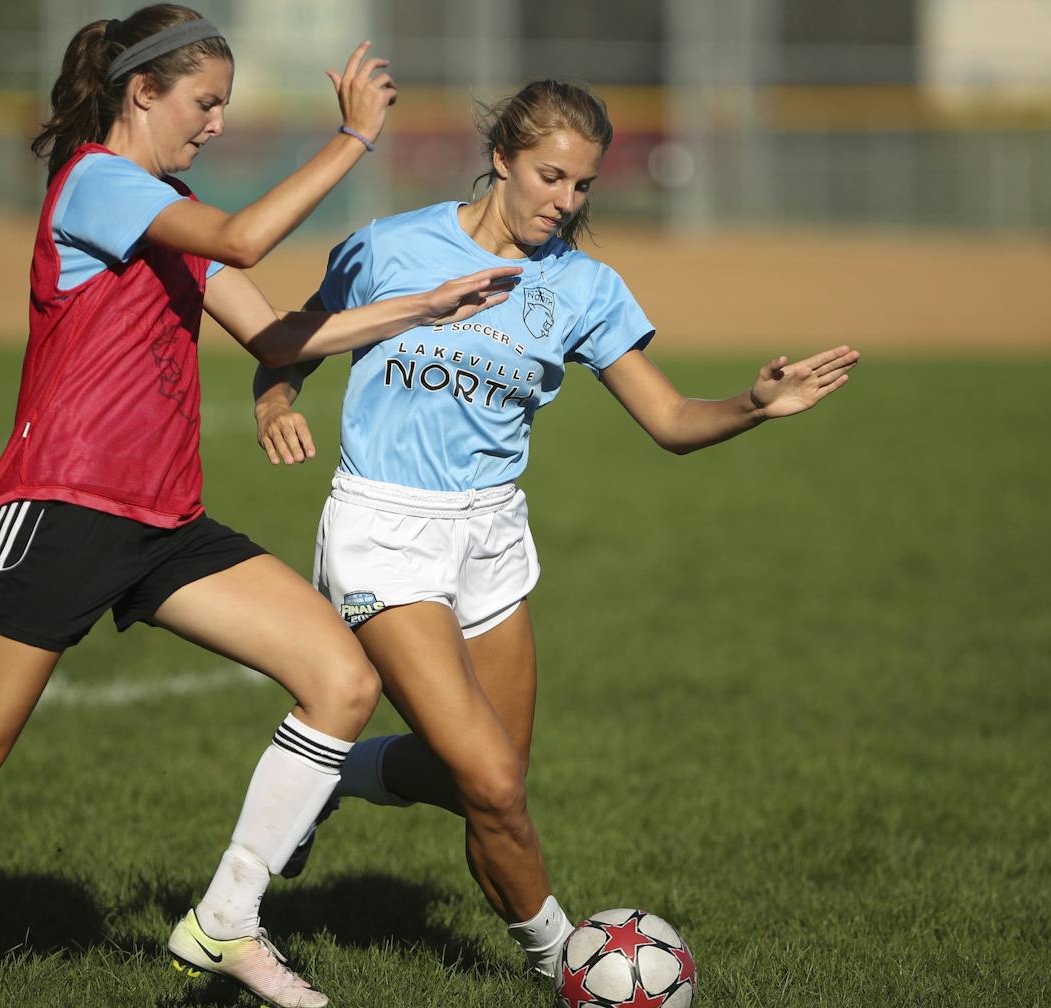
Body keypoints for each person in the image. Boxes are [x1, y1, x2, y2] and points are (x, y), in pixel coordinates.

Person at [0, 8, 522, 1008]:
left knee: (336, 676)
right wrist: (354, 139)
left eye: (225, 106)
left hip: (162, 523)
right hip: (57, 510)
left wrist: (422, 303)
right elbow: (240, 234)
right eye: (206, 102)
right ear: (141, 92)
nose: (218, 123)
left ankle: (226, 920)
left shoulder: (169, 205)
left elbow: (274, 337)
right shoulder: (98, 185)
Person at [252, 78, 860, 984]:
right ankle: (571, 967)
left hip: (493, 538)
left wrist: (755, 405)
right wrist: (273, 398)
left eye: (583, 186)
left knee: (484, 784)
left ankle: (335, 776)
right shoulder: (390, 245)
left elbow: (669, 421)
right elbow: (289, 336)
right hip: (385, 529)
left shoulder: (585, 286)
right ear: (501, 157)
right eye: (550, 177)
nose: (566, 202)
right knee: (493, 787)